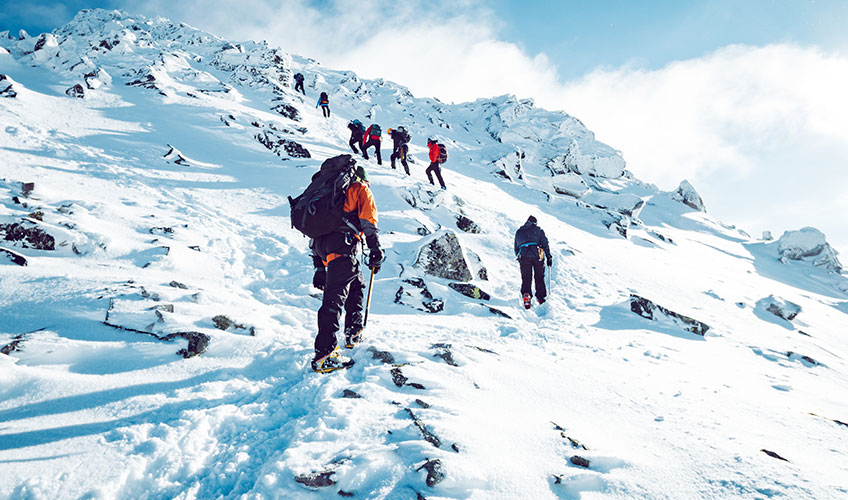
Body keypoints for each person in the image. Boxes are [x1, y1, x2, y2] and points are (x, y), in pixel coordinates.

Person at [310, 163, 384, 373]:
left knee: (357, 283)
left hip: (325, 247)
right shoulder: (359, 188)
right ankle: (325, 354)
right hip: (344, 245)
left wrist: (319, 267)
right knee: (334, 297)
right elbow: (368, 219)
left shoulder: (330, 196)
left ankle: (353, 330)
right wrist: (375, 248)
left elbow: (316, 232)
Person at [514, 216, 552, 309]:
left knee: (526, 276)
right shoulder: (538, 230)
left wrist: (519, 257)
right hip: (537, 256)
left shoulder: (519, 231)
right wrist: (549, 257)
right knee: (539, 276)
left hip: (523, 256)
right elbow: (545, 244)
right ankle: (540, 297)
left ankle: (526, 294)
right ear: (535, 222)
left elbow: (516, 246)